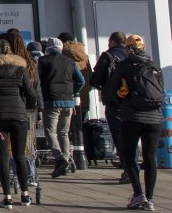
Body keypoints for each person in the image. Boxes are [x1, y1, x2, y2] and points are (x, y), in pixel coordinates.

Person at [105, 34, 164, 211]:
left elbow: (112, 92)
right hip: (154, 118)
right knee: (150, 157)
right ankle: (151, 199)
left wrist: (123, 104)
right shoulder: (155, 66)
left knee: (130, 156)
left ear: (128, 49)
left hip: (132, 117)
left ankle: (138, 195)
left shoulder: (124, 66)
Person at [0, 38, 37, 208]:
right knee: (20, 156)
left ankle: (7, 196)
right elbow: (31, 94)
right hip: (19, 116)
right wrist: (27, 108)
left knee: (2, 158)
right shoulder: (20, 68)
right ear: (10, 51)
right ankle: (25, 195)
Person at [37, 36, 84, 179]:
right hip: (68, 101)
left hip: (51, 100)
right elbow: (81, 81)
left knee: (50, 131)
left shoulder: (43, 61)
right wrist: (73, 91)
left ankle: (59, 158)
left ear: (48, 49)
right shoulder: (70, 61)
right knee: (63, 132)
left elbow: (38, 81)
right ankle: (65, 161)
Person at [90, 31, 130, 182]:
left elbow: (95, 79)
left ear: (112, 41)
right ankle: (134, 165)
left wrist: (104, 86)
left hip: (115, 101)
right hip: (132, 102)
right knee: (134, 133)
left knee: (119, 135)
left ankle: (128, 169)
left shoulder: (108, 56)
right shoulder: (131, 54)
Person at [59, 32, 94, 111]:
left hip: (68, 97)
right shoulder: (83, 53)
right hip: (84, 96)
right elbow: (90, 75)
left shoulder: (63, 54)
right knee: (81, 121)